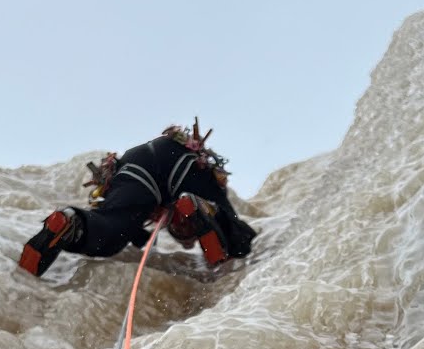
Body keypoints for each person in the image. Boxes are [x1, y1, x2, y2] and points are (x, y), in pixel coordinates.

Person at [19, 119, 258, 277]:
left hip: (130, 166)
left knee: (111, 230)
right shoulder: (196, 181)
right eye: (186, 228)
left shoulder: (149, 207)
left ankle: (73, 221)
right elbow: (232, 222)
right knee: (234, 231)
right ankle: (200, 208)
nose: (187, 237)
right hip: (185, 162)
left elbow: (134, 232)